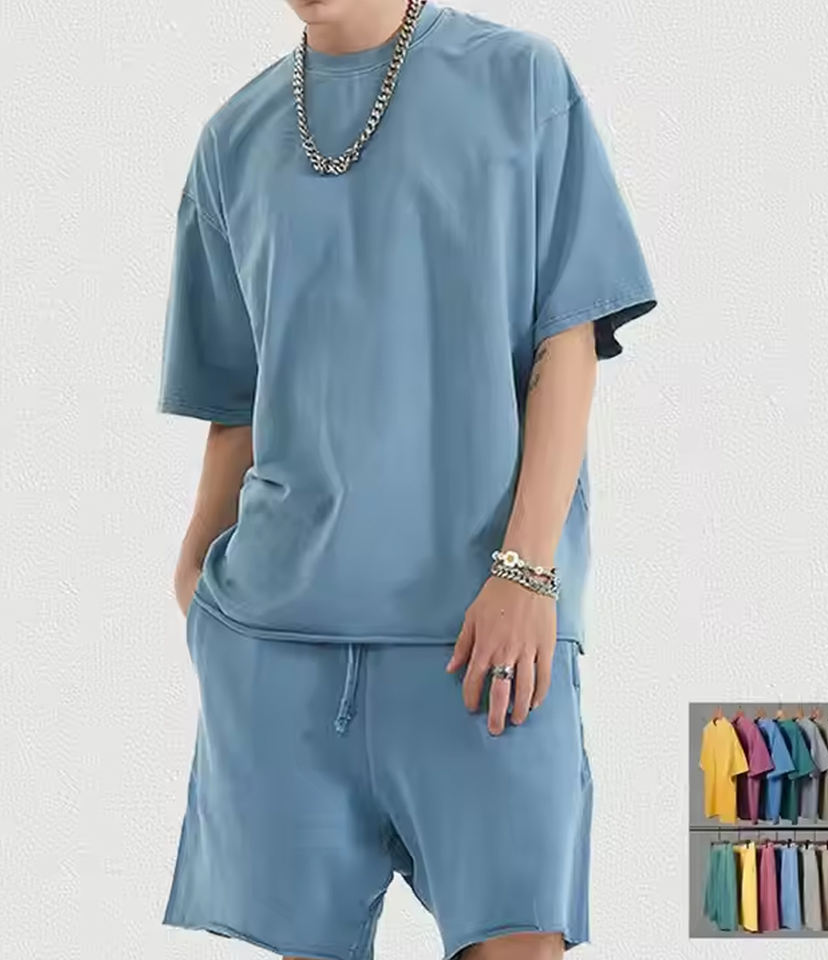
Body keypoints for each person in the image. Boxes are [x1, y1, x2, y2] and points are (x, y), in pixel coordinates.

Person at [156, 1, 657, 957]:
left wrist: (527, 571)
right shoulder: (233, 140)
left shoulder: (521, 82)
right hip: (277, 659)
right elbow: (235, 407)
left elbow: (569, 341)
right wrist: (197, 589)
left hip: (488, 647)